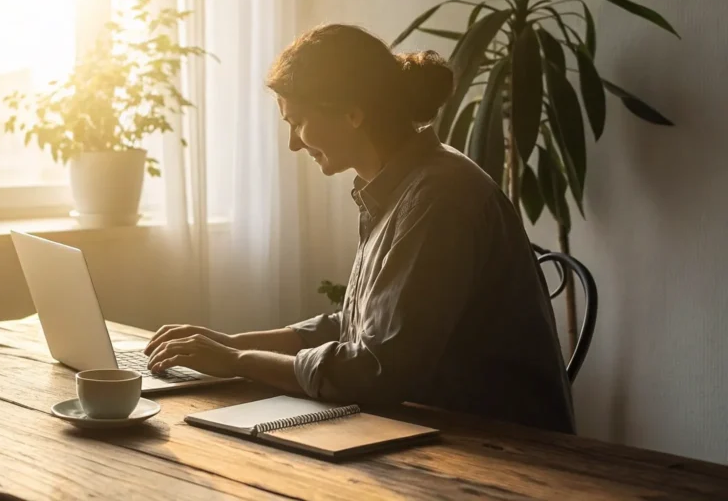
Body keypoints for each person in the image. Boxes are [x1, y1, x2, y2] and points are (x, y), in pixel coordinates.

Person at [144, 24, 575, 434]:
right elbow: (356, 325)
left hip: (499, 446)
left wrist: (237, 359)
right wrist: (229, 342)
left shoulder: (440, 198)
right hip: (424, 427)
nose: (294, 143)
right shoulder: (396, 187)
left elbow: (376, 370)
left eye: (297, 122)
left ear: (353, 112)